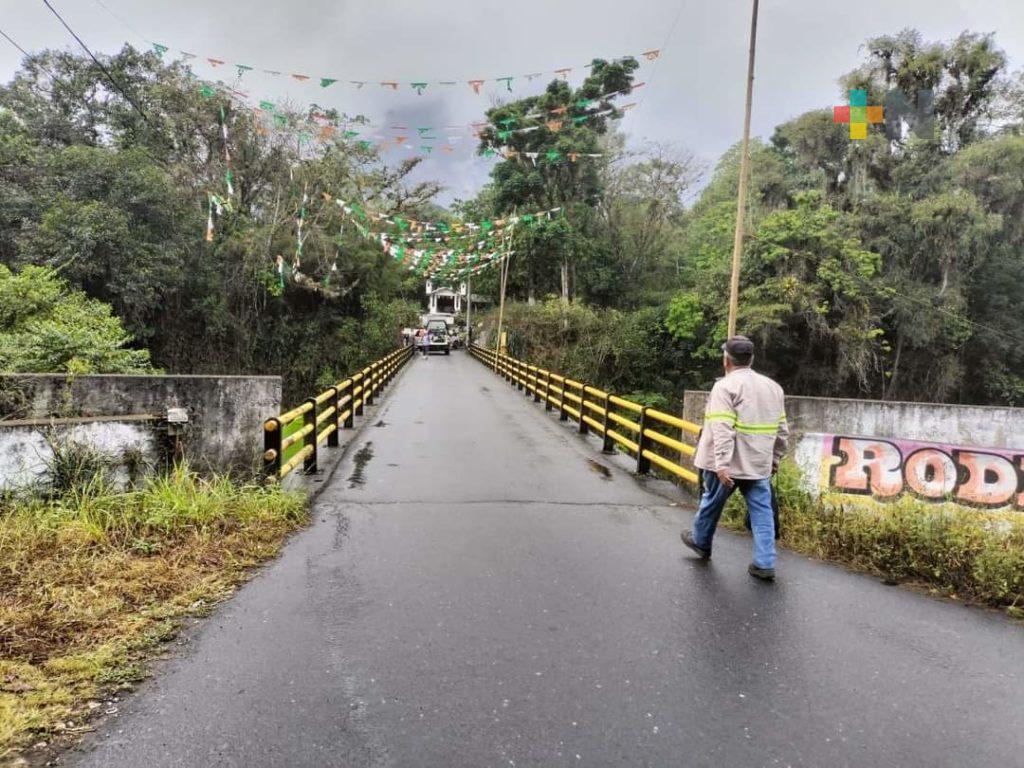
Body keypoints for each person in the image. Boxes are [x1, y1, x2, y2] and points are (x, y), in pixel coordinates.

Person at [680, 335, 788, 580]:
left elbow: (722, 428)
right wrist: (775, 459)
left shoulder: (725, 387)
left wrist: (721, 464)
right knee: (762, 512)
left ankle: (701, 541)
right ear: (751, 359)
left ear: (726, 360)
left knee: (712, 502)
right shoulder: (773, 388)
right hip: (757, 464)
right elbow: (782, 431)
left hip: (726, 465)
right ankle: (764, 563)